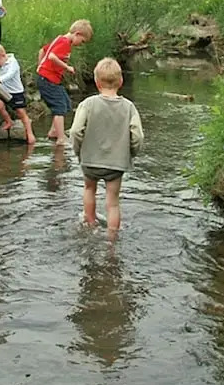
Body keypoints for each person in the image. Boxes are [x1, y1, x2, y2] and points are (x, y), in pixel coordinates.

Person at [70, 57, 143, 240]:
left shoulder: (87, 104)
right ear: (121, 81)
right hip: (116, 163)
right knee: (113, 203)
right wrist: (130, 154)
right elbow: (138, 136)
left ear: (96, 82)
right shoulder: (129, 107)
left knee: (89, 190)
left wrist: (79, 151)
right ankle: (112, 241)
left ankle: (90, 226)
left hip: (90, 160)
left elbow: (76, 131)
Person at [35, 19, 93, 143]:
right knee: (59, 107)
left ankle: (54, 131)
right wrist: (67, 67)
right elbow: (52, 56)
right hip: (48, 80)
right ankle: (61, 138)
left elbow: (43, 51)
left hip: (51, 79)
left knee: (66, 103)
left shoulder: (60, 39)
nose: (81, 44)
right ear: (77, 34)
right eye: (82, 41)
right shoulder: (65, 43)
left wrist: (40, 66)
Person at [0, 42, 36, 145]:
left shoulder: (13, 63)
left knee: (21, 113)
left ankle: (30, 133)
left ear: (3, 55)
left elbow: (10, 75)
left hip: (16, 92)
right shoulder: (0, 59)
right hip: (4, 91)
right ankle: (9, 121)